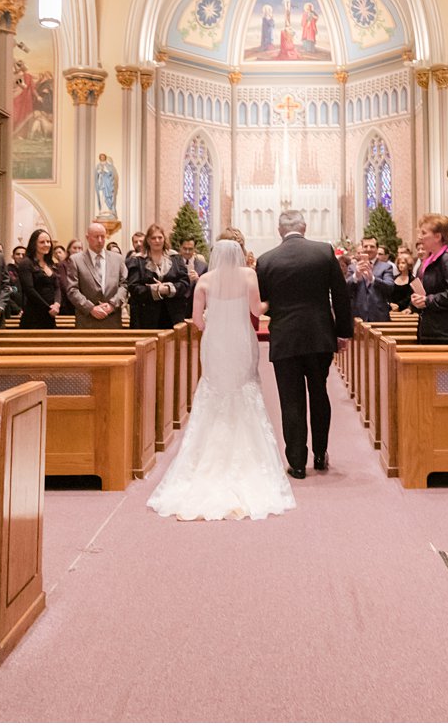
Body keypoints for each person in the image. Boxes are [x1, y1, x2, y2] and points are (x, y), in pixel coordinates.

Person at [147, 240, 296, 521]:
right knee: (244, 390)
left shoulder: (204, 281)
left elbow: (197, 321)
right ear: (238, 255)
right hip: (240, 341)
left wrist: (213, 319)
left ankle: (204, 461)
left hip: (215, 343)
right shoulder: (248, 275)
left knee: (213, 392)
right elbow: (258, 311)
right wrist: (271, 301)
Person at [255, 210, 354, 478]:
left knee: (291, 400)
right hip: (319, 335)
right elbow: (340, 294)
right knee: (319, 393)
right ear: (305, 227)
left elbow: (262, 304)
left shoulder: (265, 260)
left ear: (279, 230)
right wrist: (343, 332)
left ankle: (297, 462)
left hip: (285, 337)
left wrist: (282, 314)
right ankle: (320, 454)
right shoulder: (323, 252)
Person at [388, 213, 448, 344]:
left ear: (438, 236)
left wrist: (427, 300)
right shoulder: (431, 259)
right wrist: (416, 303)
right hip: (435, 329)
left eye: (424, 233)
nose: (420, 237)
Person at [126, 224, 190, 329]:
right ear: (148, 240)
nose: (157, 240)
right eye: (153, 238)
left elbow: (185, 283)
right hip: (145, 316)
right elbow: (133, 287)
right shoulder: (137, 260)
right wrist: (155, 290)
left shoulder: (176, 258)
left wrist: (168, 289)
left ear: (164, 239)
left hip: (173, 315)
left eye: (160, 237)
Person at [65, 222, 128, 328]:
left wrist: (112, 305)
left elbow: (124, 285)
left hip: (112, 320)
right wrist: (91, 308)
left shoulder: (117, 259)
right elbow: (72, 290)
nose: (100, 240)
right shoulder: (76, 260)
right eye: (96, 237)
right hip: (87, 321)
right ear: (87, 237)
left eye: (102, 237)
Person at [16, 228, 61, 329]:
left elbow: (57, 287)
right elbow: (29, 290)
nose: (46, 244)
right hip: (33, 315)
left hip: (50, 315)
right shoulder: (26, 263)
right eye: (42, 242)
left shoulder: (50, 263)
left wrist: (57, 304)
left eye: (48, 241)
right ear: (34, 244)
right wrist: (48, 308)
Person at [346, 235, 395, 323]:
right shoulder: (352, 268)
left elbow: (390, 287)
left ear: (377, 249)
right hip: (357, 317)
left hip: (379, 317)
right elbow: (345, 289)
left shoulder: (386, 267)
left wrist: (372, 279)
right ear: (362, 248)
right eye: (365, 246)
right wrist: (356, 276)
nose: (368, 249)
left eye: (372, 246)